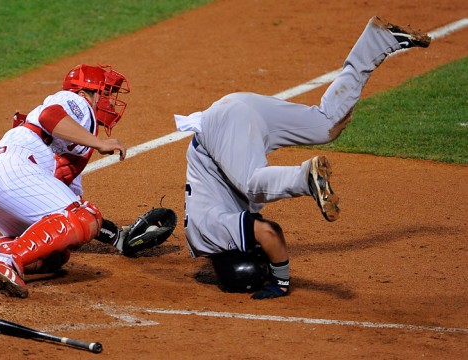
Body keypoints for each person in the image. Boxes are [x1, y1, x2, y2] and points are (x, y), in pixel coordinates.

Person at [174, 17, 431, 299]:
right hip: (238, 112)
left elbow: (270, 232)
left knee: (251, 182)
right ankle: (378, 41)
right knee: (326, 124)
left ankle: (303, 177)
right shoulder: (207, 235)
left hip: (223, 128)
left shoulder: (212, 237)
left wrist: (280, 281)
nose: (259, 250)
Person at [0, 64, 176, 298]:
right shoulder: (76, 102)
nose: (108, 102)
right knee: (84, 216)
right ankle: (6, 257)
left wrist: (116, 236)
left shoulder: (74, 145)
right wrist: (99, 143)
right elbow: (51, 116)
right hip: (13, 171)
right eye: (103, 94)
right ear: (84, 93)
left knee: (57, 254)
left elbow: (72, 216)